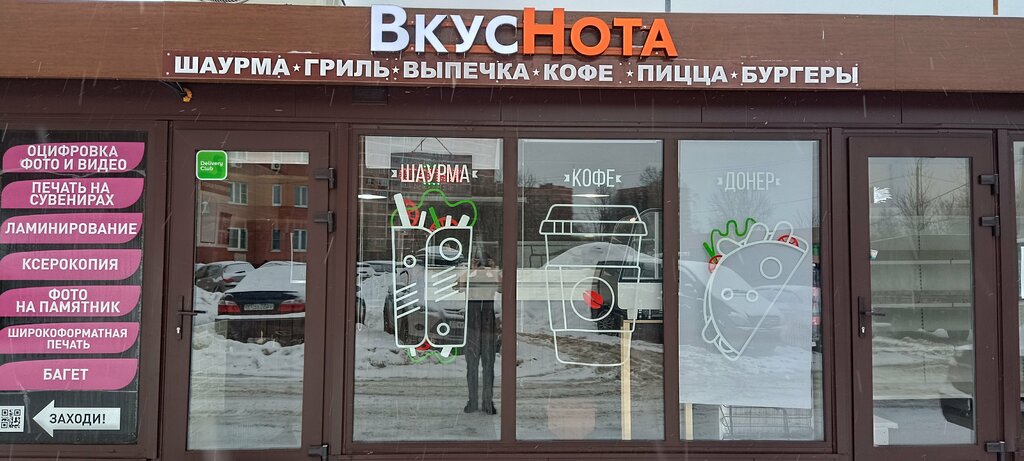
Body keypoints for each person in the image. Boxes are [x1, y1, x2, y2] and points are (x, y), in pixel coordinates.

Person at [462, 254, 500, 414]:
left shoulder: (492, 278)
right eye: (480, 263)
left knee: (488, 364)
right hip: (473, 322)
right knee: (472, 365)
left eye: (485, 264)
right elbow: (457, 286)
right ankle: (473, 401)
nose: (483, 267)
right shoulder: (471, 278)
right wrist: (471, 270)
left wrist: (494, 270)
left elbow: (503, 288)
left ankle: (487, 402)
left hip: (487, 323)